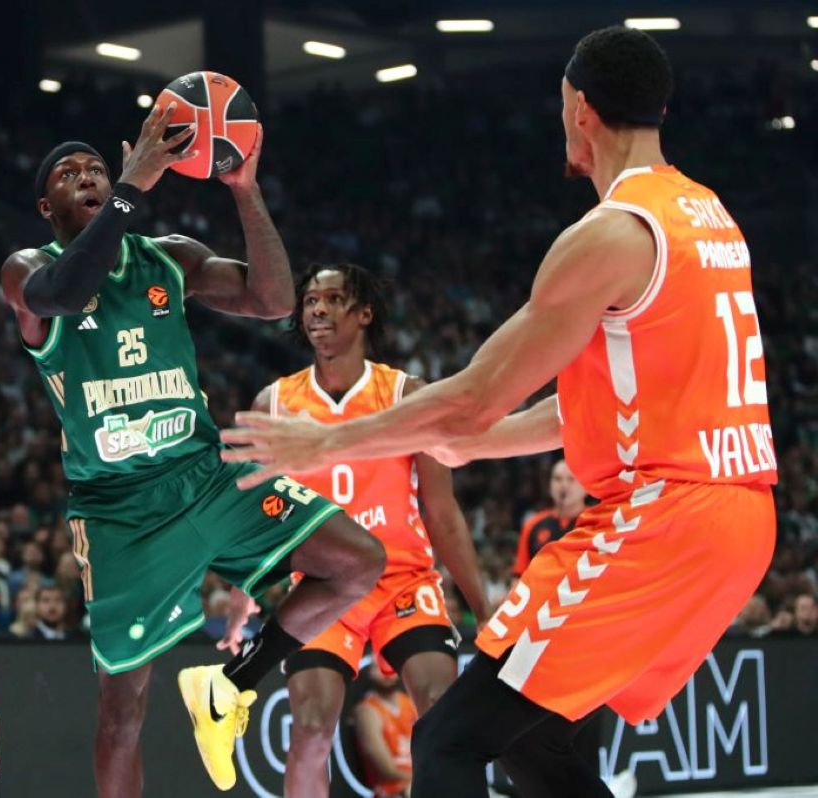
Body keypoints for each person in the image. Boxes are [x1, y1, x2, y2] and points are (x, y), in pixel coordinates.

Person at [221, 26, 777, 797]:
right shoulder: (707, 215)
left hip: (662, 519)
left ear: (579, 109)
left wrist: (326, 442)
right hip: (741, 521)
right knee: (534, 741)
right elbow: (594, 408)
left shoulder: (610, 233)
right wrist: (474, 447)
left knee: (448, 738)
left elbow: (475, 396)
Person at [0, 103, 385, 794]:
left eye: (96, 168)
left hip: (206, 476)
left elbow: (273, 300)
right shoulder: (28, 268)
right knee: (123, 711)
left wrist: (245, 189)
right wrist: (129, 188)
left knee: (358, 562)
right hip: (121, 512)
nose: (87, 176)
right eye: (69, 173)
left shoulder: (168, 257)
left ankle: (231, 684)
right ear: (45, 206)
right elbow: (65, 293)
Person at [223, 263, 486, 796]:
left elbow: (441, 511)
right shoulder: (275, 403)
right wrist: (240, 593)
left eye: (333, 298)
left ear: (364, 313)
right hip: (325, 588)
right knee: (311, 727)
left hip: (403, 581)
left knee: (441, 714)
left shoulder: (407, 394)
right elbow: (255, 514)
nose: (317, 309)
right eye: (310, 301)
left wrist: (484, 609)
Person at [513, 460, 585, 579]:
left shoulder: (599, 521)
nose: (564, 485)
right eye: (558, 479)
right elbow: (520, 576)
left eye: (571, 479)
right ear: (549, 486)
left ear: (586, 486)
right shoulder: (533, 525)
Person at [355, 662, 419, 798]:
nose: (385, 672)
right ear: (369, 672)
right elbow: (386, 770)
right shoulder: (367, 711)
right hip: (391, 789)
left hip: (418, 779)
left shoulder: (410, 703)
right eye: (378, 666)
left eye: (389, 664)